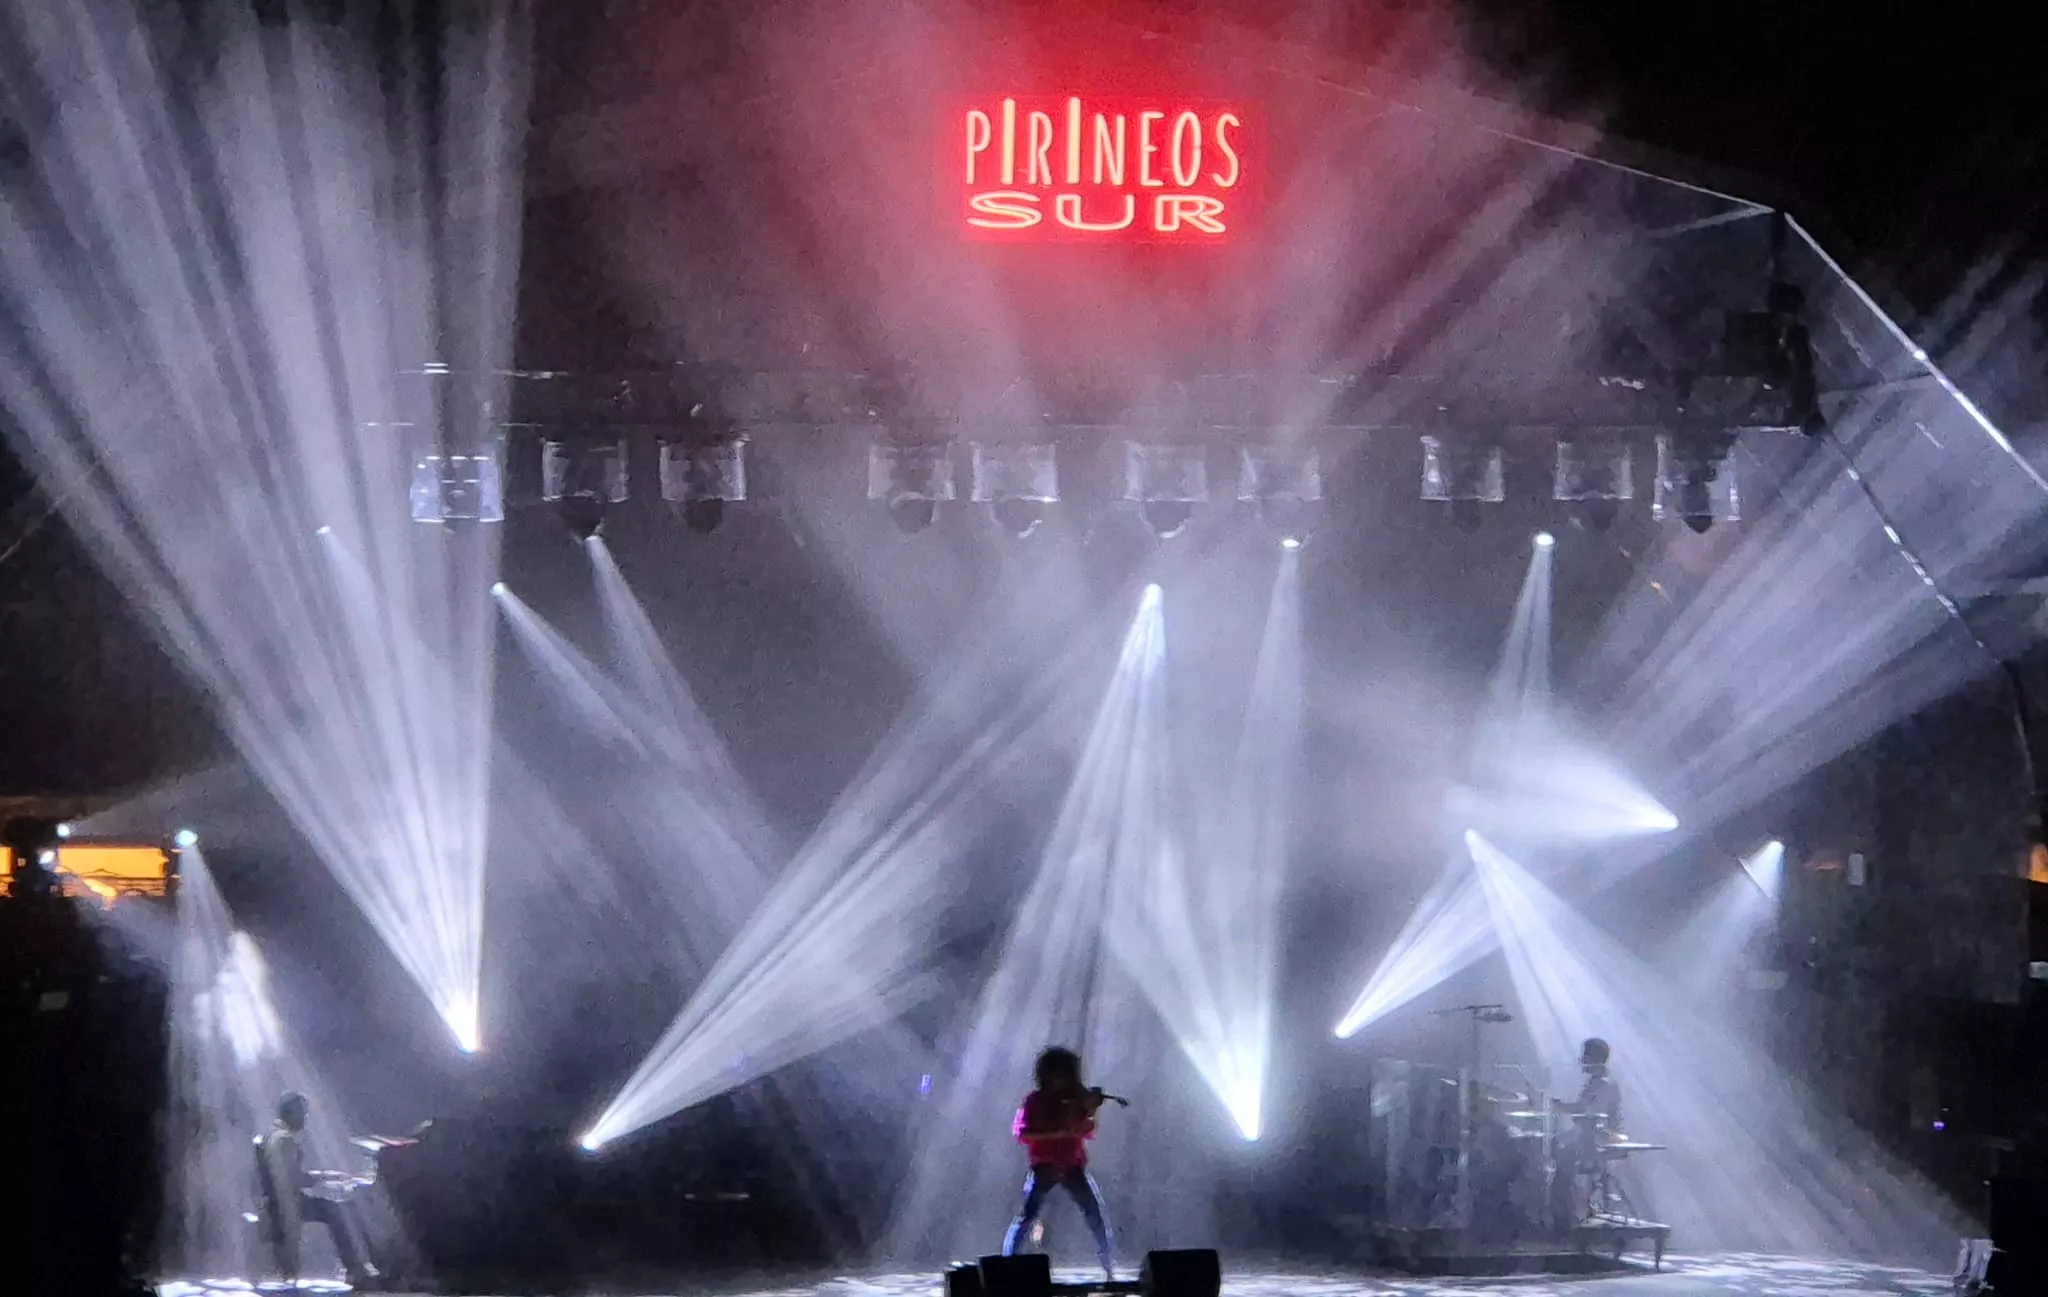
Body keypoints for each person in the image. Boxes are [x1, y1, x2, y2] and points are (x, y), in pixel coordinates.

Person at [1001, 1046, 1115, 1279]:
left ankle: (1108, 1267)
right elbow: (1023, 1132)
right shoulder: (1034, 1101)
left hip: (1073, 1166)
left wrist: (1090, 1110)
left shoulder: (1074, 1099)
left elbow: (1086, 1130)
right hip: (1044, 1167)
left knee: (1095, 1214)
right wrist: (1060, 1131)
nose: (1061, 1080)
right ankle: (1005, 1267)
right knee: (1026, 1217)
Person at [261, 1091, 375, 1286]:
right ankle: (355, 1269)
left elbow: (289, 1173)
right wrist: (325, 1178)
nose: (305, 1118)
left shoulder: (275, 1136)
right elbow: (291, 1178)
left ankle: (354, 1267)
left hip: (283, 1200)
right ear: (291, 1113)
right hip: (286, 1203)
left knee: (334, 1209)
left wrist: (326, 1176)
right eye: (302, 1113)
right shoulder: (283, 1139)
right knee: (336, 1211)